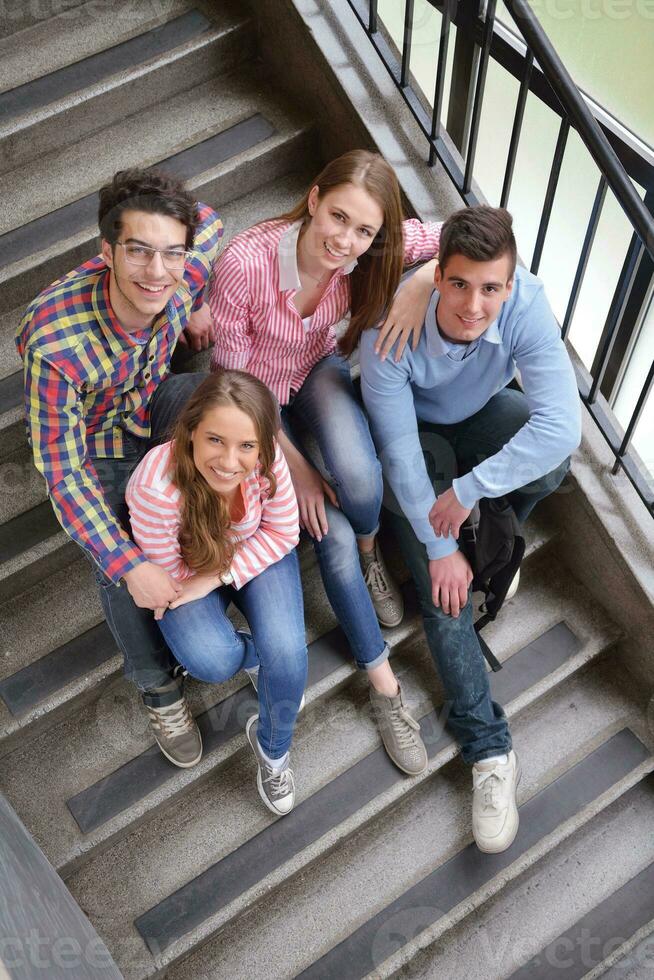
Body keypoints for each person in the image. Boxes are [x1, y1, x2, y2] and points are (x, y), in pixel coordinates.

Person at [207, 150, 441, 776]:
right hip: (252, 404)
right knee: (328, 534)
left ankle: (372, 555)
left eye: (364, 231)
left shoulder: (372, 251)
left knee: (362, 485)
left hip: (315, 373)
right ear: (312, 200)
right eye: (338, 218)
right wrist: (294, 466)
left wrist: (422, 277)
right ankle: (387, 688)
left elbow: (477, 233)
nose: (346, 241)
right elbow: (233, 385)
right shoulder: (245, 267)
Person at [359, 205, 581, 853]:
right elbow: (399, 457)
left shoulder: (525, 301)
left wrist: (470, 490)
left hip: (480, 421)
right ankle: (490, 749)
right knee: (443, 588)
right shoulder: (391, 332)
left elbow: (560, 428)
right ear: (437, 276)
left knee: (552, 455)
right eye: (459, 285)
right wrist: (437, 548)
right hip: (417, 444)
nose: (474, 305)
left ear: (511, 285)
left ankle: (499, 552)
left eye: (491, 289)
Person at [16, 167, 223, 768]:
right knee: (113, 548)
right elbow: (62, 473)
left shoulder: (184, 272)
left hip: (151, 401)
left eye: (170, 254)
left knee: (223, 403)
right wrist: (132, 565)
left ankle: (221, 559)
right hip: (95, 443)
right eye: (137, 252)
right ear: (107, 251)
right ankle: (158, 686)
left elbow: (207, 220)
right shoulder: (56, 345)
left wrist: (193, 308)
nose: (157, 272)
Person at [126, 370, 307, 815]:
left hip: (255, 549)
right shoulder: (156, 489)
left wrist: (220, 575)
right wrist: (208, 577)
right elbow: (171, 582)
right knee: (211, 658)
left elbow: (283, 531)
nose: (230, 461)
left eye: (246, 446)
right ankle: (254, 658)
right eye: (215, 441)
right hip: (187, 573)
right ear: (190, 433)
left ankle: (273, 751)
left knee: (289, 653)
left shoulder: (266, 461)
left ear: (263, 444)